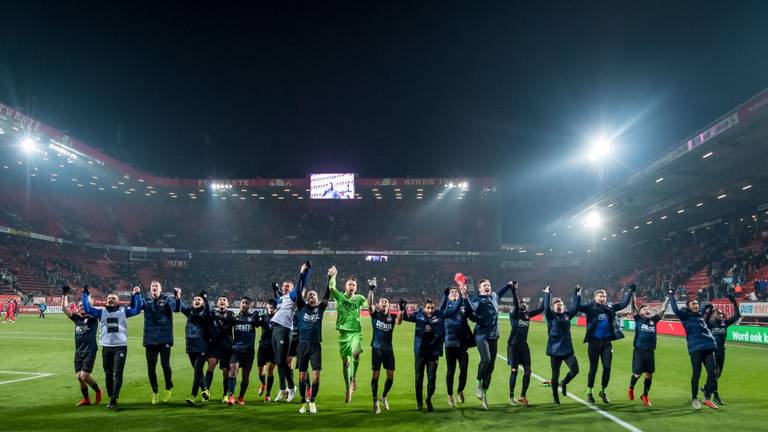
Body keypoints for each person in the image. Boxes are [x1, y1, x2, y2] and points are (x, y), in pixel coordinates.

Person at [82, 284, 143, 409]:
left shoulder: (123, 311)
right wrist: (85, 294)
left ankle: (114, 399)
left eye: (113, 298)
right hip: (106, 346)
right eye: (109, 298)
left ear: (118, 301)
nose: (110, 300)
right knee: (108, 373)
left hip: (120, 346)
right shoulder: (101, 312)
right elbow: (87, 309)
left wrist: (137, 295)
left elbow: (137, 310)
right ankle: (111, 395)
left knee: (117, 373)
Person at [578, 284, 635, 404]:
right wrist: (577, 294)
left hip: (606, 343)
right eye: (600, 296)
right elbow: (577, 306)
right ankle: (589, 392)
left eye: (604, 296)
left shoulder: (610, 307)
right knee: (593, 368)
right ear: (595, 297)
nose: (603, 298)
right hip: (593, 343)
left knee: (607, 368)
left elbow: (623, 304)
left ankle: (602, 391)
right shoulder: (590, 307)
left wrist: (630, 291)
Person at [668, 288, 719, 409]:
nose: (696, 305)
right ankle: (694, 398)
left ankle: (706, 397)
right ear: (688, 306)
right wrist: (671, 295)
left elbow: (704, 306)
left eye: (697, 303)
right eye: (693, 304)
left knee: (714, 373)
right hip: (695, 348)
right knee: (697, 373)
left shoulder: (700, 315)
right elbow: (675, 309)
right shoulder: (685, 316)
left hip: (708, 346)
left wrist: (709, 306)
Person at [465, 278, 512, 409]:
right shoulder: (476, 300)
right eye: (485, 285)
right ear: (480, 288)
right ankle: (478, 383)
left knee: (491, 367)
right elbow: (471, 310)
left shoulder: (494, 296)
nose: (488, 287)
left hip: (494, 335)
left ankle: (484, 396)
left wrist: (508, 285)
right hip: (481, 335)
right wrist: (465, 297)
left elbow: (500, 293)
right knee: (486, 359)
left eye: (489, 285)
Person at [328, 265, 369, 403]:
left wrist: (371, 293)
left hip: (356, 333)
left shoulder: (359, 298)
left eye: (354, 285)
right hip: (344, 335)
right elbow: (331, 288)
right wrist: (333, 275)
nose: (352, 286)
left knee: (356, 354)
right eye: (350, 284)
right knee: (346, 363)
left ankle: (353, 379)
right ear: (346, 286)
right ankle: (348, 387)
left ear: (356, 288)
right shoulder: (339, 297)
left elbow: (368, 304)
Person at [271, 262, 310, 403]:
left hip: (284, 329)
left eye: (287, 286)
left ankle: (291, 387)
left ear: (292, 289)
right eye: (283, 286)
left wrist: (304, 272)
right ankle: (282, 389)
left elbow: (301, 285)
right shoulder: (281, 298)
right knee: (278, 361)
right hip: (275, 330)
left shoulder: (293, 296)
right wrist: (275, 290)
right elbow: (276, 300)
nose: (284, 287)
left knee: (282, 361)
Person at [398, 296, 444, 412]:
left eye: (432, 308)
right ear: (423, 308)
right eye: (428, 308)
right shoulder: (419, 314)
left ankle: (428, 399)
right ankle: (419, 402)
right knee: (419, 378)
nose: (430, 310)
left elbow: (450, 311)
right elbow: (406, 318)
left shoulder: (439, 314)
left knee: (432, 377)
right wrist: (402, 308)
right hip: (420, 351)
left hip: (433, 352)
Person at [62, 285, 103, 406]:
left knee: (84, 376)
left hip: (90, 350)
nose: (81, 308)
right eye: (79, 306)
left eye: (83, 306)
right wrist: (64, 294)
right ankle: (86, 399)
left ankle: (98, 390)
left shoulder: (92, 318)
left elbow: (88, 306)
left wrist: (86, 296)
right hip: (78, 352)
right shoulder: (76, 319)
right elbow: (64, 308)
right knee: (79, 377)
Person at [295, 271, 330, 414]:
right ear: (306, 298)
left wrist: (330, 278)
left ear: (317, 298)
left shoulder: (320, 308)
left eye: (314, 295)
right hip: (302, 345)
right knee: (302, 376)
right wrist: (302, 274)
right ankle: (304, 402)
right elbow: (297, 292)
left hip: (315, 345)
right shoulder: (301, 307)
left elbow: (327, 294)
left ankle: (313, 400)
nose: (311, 296)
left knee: (316, 376)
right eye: (309, 295)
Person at [139, 280, 179, 404]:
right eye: (153, 286)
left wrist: (177, 297)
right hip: (150, 339)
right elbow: (136, 308)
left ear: (161, 290)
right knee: (151, 368)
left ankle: (168, 388)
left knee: (165, 364)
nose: (154, 287)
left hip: (164, 337)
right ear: (150, 289)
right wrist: (135, 295)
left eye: (157, 286)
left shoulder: (167, 299)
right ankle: (155, 392)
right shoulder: (146, 300)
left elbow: (176, 309)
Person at [506, 281, 544, 406]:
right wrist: (514, 290)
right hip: (513, 346)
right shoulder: (514, 314)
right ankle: (511, 396)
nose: (523, 304)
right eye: (521, 303)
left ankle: (522, 396)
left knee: (528, 371)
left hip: (524, 346)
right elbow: (516, 305)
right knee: (514, 371)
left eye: (525, 303)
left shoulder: (528, 315)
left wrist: (545, 294)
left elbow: (541, 308)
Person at [628, 293, 669, 406]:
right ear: (640, 313)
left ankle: (645, 395)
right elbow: (633, 305)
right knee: (637, 374)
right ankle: (631, 388)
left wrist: (668, 298)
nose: (648, 310)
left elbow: (663, 309)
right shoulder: (638, 319)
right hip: (639, 350)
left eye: (648, 309)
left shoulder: (653, 321)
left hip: (650, 351)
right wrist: (633, 294)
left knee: (649, 374)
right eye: (645, 309)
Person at [544, 285, 581, 405]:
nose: (560, 306)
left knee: (575, 370)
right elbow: (546, 307)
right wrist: (547, 294)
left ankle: (564, 382)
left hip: (567, 350)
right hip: (554, 351)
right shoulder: (550, 317)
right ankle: (556, 398)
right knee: (554, 376)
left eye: (561, 304)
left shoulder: (567, 315)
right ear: (553, 307)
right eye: (557, 305)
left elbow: (575, 308)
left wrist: (577, 294)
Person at [438, 280, 474, 407]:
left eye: (456, 292)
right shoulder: (446, 308)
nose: (454, 293)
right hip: (449, 344)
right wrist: (459, 297)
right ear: (448, 296)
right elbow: (445, 311)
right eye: (451, 292)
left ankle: (460, 390)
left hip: (462, 343)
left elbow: (471, 311)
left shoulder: (463, 304)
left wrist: (465, 297)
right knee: (451, 371)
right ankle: (449, 395)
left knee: (464, 369)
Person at [704, 294, 741, 405]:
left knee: (718, 375)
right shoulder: (709, 324)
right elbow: (705, 320)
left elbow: (737, 316)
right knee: (715, 373)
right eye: (717, 313)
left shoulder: (724, 324)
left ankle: (706, 387)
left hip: (721, 351)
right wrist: (710, 311)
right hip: (712, 351)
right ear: (712, 315)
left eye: (720, 313)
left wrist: (734, 303)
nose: (720, 315)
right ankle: (715, 396)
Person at [368, 280, 397, 414]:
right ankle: (375, 401)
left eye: (386, 301)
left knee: (390, 376)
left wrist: (402, 309)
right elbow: (369, 304)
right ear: (378, 305)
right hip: (377, 348)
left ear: (389, 306)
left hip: (388, 349)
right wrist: (371, 290)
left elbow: (401, 321)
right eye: (382, 301)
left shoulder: (393, 317)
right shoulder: (375, 315)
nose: (384, 302)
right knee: (376, 375)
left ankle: (383, 396)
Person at [227, 296, 263, 405]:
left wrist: (257, 318)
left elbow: (259, 324)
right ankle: (231, 396)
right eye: (243, 302)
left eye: (247, 303)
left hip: (248, 352)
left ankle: (241, 397)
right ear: (240, 304)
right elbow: (225, 328)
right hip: (236, 350)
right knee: (233, 372)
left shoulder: (252, 318)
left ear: (250, 305)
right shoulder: (235, 318)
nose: (244, 305)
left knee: (245, 377)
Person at [178, 289, 212, 405]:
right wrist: (178, 296)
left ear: (203, 302)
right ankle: (205, 390)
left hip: (202, 346)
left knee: (197, 370)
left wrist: (206, 299)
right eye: (195, 300)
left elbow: (209, 311)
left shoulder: (205, 313)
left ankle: (193, 395)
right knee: (198, 371)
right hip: (190, 346)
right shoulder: (190, 312)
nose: (197, 301)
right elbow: (181, 306)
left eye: (199, 299)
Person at [206, 296, 235, 403]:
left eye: (224, 300)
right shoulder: (212, 313)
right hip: (214, 345)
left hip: (227, 346)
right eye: (220, 300)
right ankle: (206, 391)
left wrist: (217, 318)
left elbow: (225, 329)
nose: (222, 301)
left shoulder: (231, 314)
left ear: (228, 304)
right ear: (217, 303)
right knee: (211, 365)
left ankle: (225, 394)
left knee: (226, 372)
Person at [257, 300, 277, 402]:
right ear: (267, 306)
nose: (271, 308)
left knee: (270, 370)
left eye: (273, 306)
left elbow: (270, 329)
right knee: (260, 372)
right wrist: (256, 318)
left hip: (274, 347)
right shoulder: (263, 317)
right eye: (270, 306)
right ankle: (263, 384)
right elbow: (256, 324)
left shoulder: (278, 318)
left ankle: (268, 394)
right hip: (263, 347)